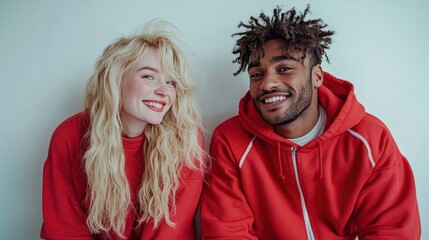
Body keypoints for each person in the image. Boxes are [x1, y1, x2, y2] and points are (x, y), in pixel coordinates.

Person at [200, 5, 421, 239]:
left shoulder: (369, 138)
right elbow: (226, 233)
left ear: (317, 76)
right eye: (257, 74)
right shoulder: (231, 140)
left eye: (284, 68)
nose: (266, 84)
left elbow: (393, 231)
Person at [41, 19, 207, 240]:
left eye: (171, 82)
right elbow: (64, 229)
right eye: (149, 76)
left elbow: (169, 233)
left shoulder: (185, 137)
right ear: (115, 80)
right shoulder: (68, 137)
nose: (164, 92)